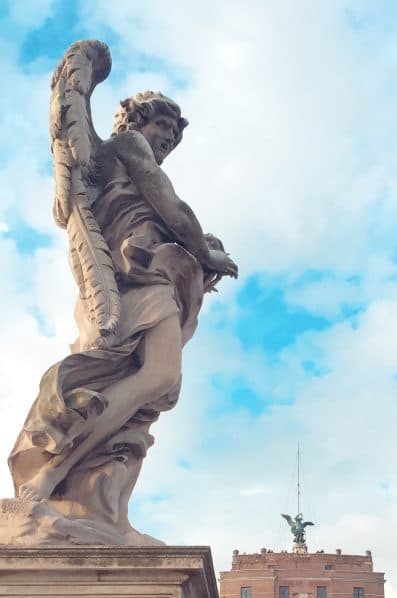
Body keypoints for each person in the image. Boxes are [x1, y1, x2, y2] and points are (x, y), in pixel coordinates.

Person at [9, 40, 237, 543]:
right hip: (137, 283)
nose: (167, 140)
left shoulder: (115, 167)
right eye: (163, 127)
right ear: (136, 121)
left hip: (129, 285)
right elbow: (174, 211)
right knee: (159, 375)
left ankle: (76, 491)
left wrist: (197, 259)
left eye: (174, 136)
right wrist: (208, 253)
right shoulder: (126, 149)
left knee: (144, 387)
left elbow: (161, 222)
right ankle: (50, 472)